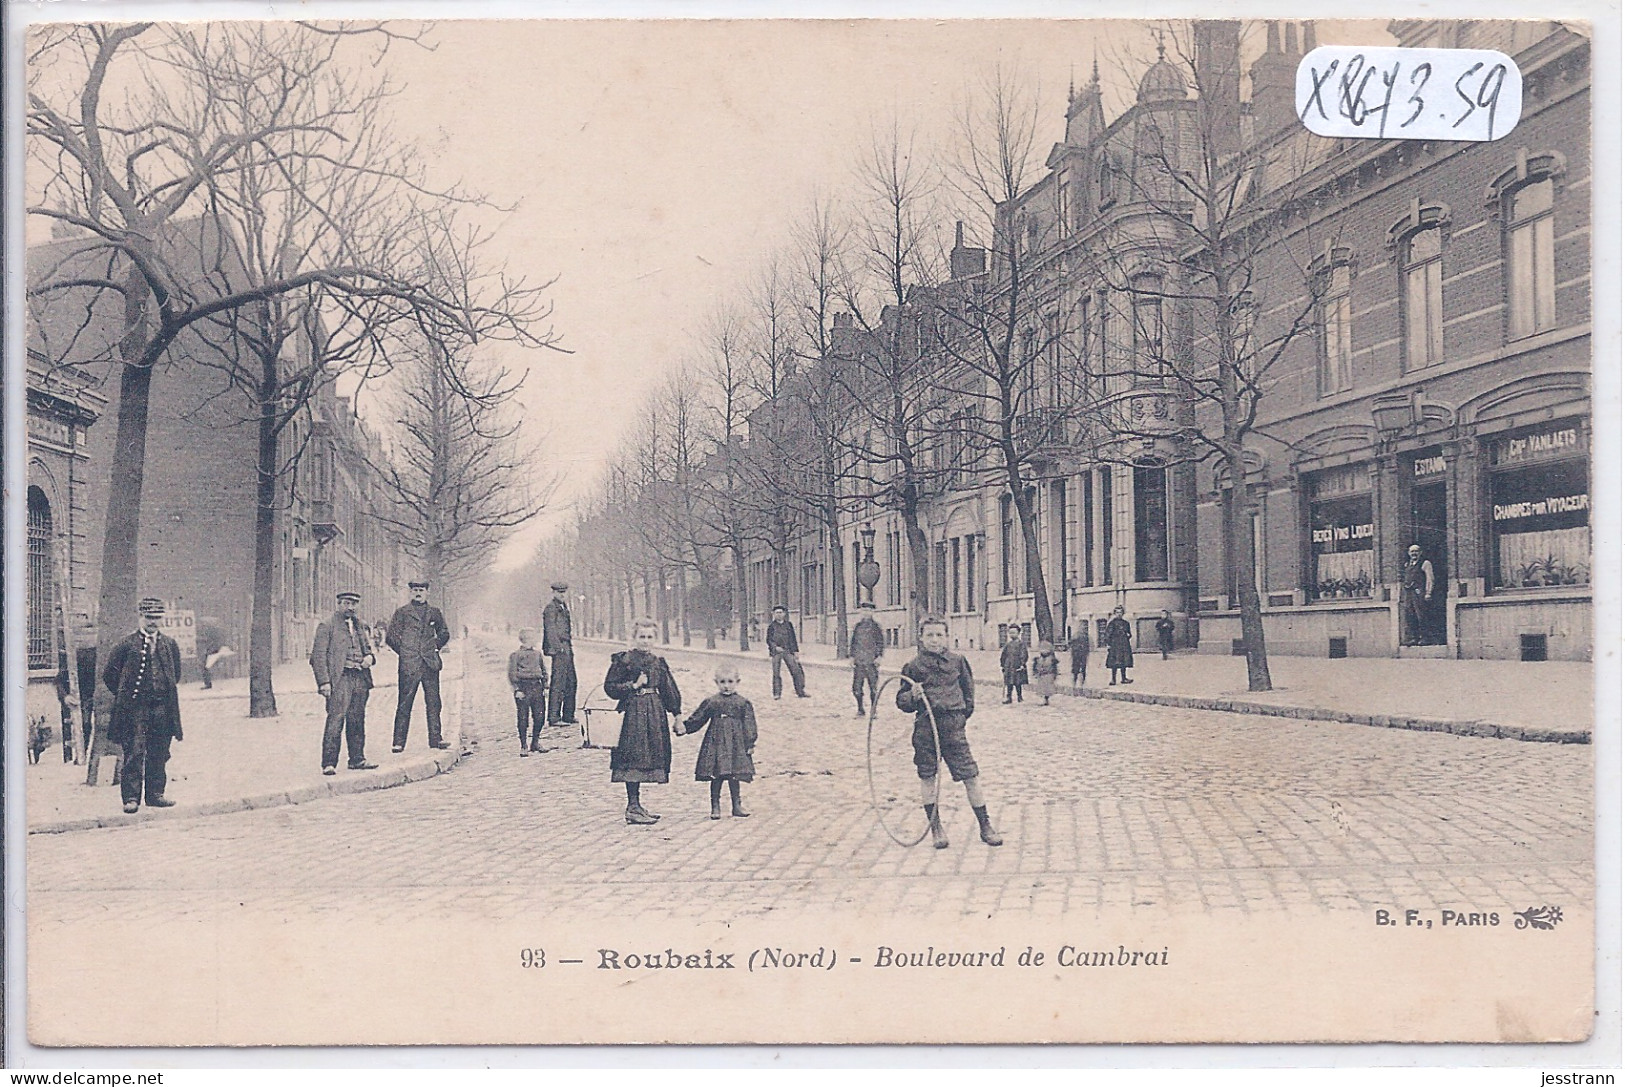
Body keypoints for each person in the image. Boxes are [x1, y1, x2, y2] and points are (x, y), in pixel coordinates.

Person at [896, 616, 1001, 849]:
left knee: (971, 776)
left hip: (953, 729)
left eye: (939, 635)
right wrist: (912, 695)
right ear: (921, 638)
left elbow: (968, 693)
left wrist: (960, 717)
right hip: (926, 729)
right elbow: (901, 702)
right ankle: (936, 829)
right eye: (930, 635)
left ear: (947, 637)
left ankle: (985, 826)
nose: (935, 640)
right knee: (928, 776)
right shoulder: (913, 667)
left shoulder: (958, 661)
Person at [103, 598, 184, 814]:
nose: (153, 622)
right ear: (141, 617)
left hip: (162, 708)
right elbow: (110, 675)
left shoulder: (169, 645)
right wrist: (126, 697)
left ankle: (155, 794)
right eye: (149, 617)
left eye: (157, 618)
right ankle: (131, 798)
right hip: (135, 710)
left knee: (160, 752)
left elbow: (175, 674)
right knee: (134, 752)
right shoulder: (126, 645)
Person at [604, 618, 682, 825]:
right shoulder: (624, 660)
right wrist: (633, 685)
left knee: (649, 755)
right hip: (632, 713)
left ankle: (637, 806)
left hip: (654, 711)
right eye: (642, 637)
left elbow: (668, 689)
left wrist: (677, 715)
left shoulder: (658, 662)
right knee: (633, 757)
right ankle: (632, 805)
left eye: (649, 637)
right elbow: (610, 688)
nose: (645, 641)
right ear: (634, 637)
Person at [310, 590, 378, 775]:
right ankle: (329, 763)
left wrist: (370, 658)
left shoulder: (360, 625)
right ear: (339, 604)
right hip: (340, 678)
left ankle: (357, 759)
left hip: (360, 677)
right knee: (336, 718)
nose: (350, 608)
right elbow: (317, 656)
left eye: (354, 604)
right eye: (347, 603)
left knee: (357, 719)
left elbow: (369, 650)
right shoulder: (327, 625)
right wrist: (324, 682)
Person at [677, 662, 758, 819]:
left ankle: (737, 805)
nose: (726, 686)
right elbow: (699, 717)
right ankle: (715, 806)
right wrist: (686, 728)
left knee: (734, 774)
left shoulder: (743, 703)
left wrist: (750, 743)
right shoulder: (712, 701)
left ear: (737, 682)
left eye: (730, 682)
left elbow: (749, 724)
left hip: (736, 743)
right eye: (722, 682)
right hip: (717, 741)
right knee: (717, 774)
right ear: (716, 683)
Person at [386, 579, 451, 752]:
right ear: (410, 592)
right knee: (404, 703)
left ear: (427, 592)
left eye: (421, 590)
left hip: (430, 663)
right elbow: (391, 637)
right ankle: (398, 742)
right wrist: (406, 652)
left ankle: (436, 739)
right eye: (415, 590)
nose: (418, 593)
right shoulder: (402, 613)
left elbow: (444, 632)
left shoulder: (435, 612)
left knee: (434, 702)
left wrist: (435, 646)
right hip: (409, 665)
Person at [508, 627, 549, 756]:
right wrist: (517, 689)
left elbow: (544, 671)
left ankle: (535, 742)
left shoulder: (538, 654)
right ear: (526, 639)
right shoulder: (515, 655)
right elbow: (512, 674)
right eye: (533, 638)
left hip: (537, 687)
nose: (535, 640)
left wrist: (545, 686)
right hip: (523, 688)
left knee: (540, 717)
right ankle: (523, 745)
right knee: (523, 718)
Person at [542, 581, 579, 727]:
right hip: (560, 649)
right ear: (554, 593)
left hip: (566, 647)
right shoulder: (551, 609)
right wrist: (558, 648)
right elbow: (550, 630)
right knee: (558, 683)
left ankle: (568, 715)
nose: (562, 595)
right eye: (559, 592)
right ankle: (554, 717)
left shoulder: (563, 607)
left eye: (564, 592)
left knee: (571, 681)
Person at [849, 601, 885, 717]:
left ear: (872, 612)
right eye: (864, 610)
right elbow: (853, 642)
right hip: (859, 661)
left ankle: (873, 711)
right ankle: (860, 709)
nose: (866, 613)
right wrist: (852, 657)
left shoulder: (876, 627)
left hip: (871, 662)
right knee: (856, 688)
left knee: (873, 688)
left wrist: (879, 656)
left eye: (869, 610)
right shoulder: (857, 627)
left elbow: (880, 642)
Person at [766, 605, 808, 700]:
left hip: (788, 651)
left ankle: (800, 691)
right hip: (776, 652)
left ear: (784, 614)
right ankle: (777, 693)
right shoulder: (771, 626)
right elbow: (769, 640)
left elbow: (793, 639)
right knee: (776, 673)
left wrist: (796, 651)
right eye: (777, 613)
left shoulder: (789, 625)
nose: (779, 615)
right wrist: (775, 647)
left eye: (781, 612)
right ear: (773, 614)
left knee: (796, 671)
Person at [1401, 544, 1435, 647]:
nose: (1414, 553)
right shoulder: (1407, 565)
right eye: (1412, 552)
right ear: (1409, 553)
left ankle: (1425, 638)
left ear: (1420, 552)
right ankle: (1413, 638)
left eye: (1416, 551)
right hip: (1409, 593)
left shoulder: (1425, 563)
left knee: (1421, 615)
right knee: (1410, 614)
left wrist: (1428, 592)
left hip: (1419, 592)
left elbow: (1430, 578)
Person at [1105, 605, 1134, 685]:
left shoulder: (1126, 623)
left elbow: (1129, 634)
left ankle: (1124, 678)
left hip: (1124, 644)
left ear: (1123, 613)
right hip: (1115, 645)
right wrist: (1108, 644)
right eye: (1117, 612)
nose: (1119, 614)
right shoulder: (1112, 623)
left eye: (1120, 612)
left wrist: (1128, 635)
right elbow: (1108, 634)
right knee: (1114, 662)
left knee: (1124, 662)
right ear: (1114, 613)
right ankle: (1113, 679)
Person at [999, 627, 1028, 703]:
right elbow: (1003, 655)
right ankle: (1009, 697)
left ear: (1018, 633)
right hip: (1008, 666)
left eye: (1014, 632)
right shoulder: (1008, 645)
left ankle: (1019, 696)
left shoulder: (1021, 644)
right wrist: (1002, 664)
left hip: (1017, 665)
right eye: (1010, 633)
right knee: (1009, 682)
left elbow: (1024, 654)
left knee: (1018, 682)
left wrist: (1022, 664)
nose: (1012, 634)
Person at [1031, 641, 1059, 706]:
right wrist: (1035, 673)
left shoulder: (1052, 659)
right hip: (1041, 675)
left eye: (1046, 649)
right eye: (1042, 649)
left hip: (1049, 675)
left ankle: (1047, 698)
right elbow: (1035, 667)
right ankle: (1043, 698)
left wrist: (1055, 675)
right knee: (1041, 688)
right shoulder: (1038, 659)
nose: (1044, 651)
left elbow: (1055, 668)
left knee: (1048, 688)